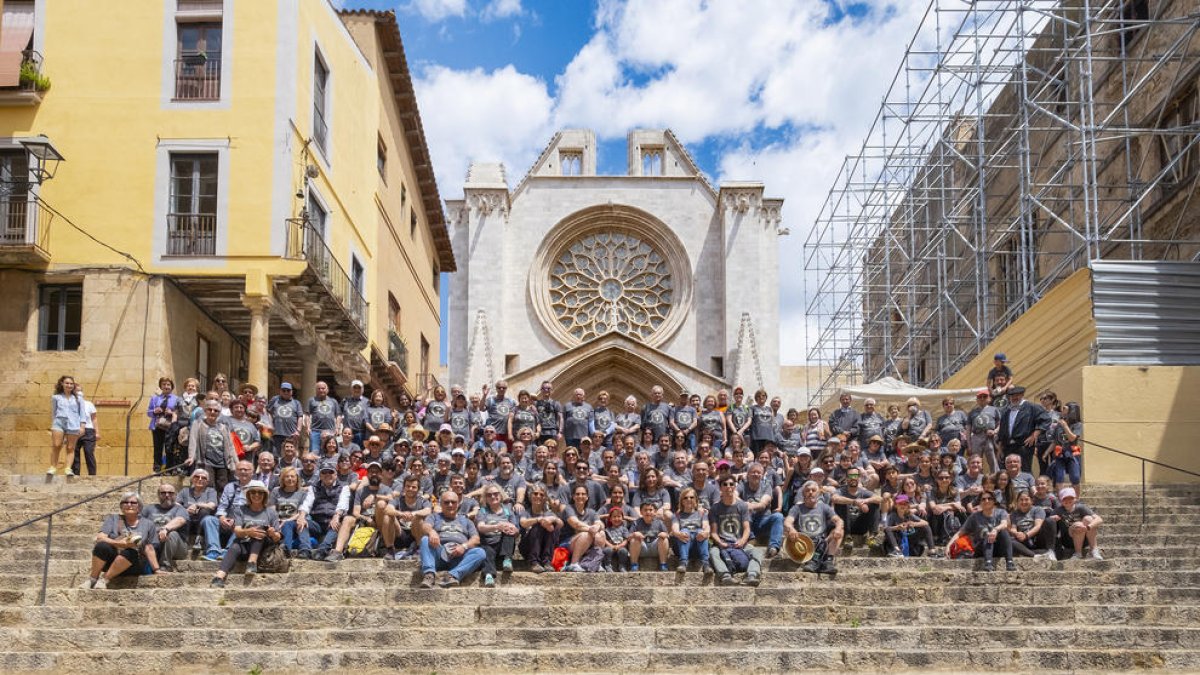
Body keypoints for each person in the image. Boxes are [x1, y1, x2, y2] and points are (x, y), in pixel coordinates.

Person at [82, 491, 163, 589]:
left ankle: (104, 579)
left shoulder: (148, 524)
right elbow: (100, 538)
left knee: (131, 552)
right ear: (121, 506)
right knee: (102, 546)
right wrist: (119, 543)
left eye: (133, 503)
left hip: (133, 563)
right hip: (113, 560)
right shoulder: (113, 519)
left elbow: (149, 547)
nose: (129, 505)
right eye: (125, 502)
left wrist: (156, 569)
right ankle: (92, 579)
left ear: (139, 507)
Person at [210, 480, 281, 587]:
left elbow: (278, 538)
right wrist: (248, 531)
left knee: (258, 532)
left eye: (260, 492)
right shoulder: (240, 510)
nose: (256, 495)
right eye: (253, 492)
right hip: (245, 545)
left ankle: (252, 563)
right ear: (248, 494)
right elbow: (237, 532)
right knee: (235, 546)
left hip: (264, 550)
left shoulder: (271, 512)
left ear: (264, 495)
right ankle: (219, 576)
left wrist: (272, 533)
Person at [419, 489, 486, 588]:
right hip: (438, 553)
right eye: (446, 502)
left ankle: (453, 575)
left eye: (453, 502)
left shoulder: (466, 521)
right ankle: (429, 575)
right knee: (425, 539)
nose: (450, 505)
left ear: (458, 504)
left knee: (480, 552)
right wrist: (432, 532)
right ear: (441, 504)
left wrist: (464, 546)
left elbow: (476, 539)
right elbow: (425, 526)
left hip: (459, 557)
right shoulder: (434, 517)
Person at [708, 476, 763, 586]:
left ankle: (752, 575)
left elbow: (747, 528)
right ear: (720, 488)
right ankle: (725, 576)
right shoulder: (715, 508)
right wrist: (720, 542)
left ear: (735, 486)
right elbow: (713, 532)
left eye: (731, 484)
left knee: (757, 552)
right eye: (725, 484)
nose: (728, 487)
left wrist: (742, 541)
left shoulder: (742, 506)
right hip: (722, 543)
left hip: (740, 543)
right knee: (713, 552)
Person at [786, 480, 843, 575]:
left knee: (840, 530)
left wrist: (838, 529)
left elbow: (839, 520)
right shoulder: (797, 508)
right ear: (803, 494)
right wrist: (791, 529)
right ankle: (814, 561)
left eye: (813, 490)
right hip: (804, 543)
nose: (810, 492)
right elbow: (787, 521)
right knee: (788, 530)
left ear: (818, 493)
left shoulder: (824, 507)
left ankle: (828, 561)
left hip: (822, 542)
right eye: (807, 490)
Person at [948, 491, 1014, 572]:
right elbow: (960, 533)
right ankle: (988, 564)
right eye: (983, 499)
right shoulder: (974, 517)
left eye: (989, 498)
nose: (986, 501)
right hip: (982, 548)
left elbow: (1004, 524)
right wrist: (948, 545)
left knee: (1004, 532)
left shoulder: (1001, 512)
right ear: (980, 502)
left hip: (997, 548)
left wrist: (995, 530)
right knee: (988, 535)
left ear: (994, 501)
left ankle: (1010, 563)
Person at [186, 401, 238, 493]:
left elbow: (230, 446)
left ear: (219, 413)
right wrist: (191, 456)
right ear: (205, 411)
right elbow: (193, 441)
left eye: (216, 410)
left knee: (222, 487)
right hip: (206, 462)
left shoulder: (224, 427)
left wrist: (237, 462)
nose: (212, 412)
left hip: (222, 462)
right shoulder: (198, 424)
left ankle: (220, 503)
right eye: (210, 409)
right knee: (208, 485)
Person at [474, 485, 519, 587]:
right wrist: (497, 527)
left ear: (501, 495)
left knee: (508, 530)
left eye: (495, 494)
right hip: (489, 543)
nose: (493, 496)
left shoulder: (508, 511)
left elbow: (516, 530)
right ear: (486, 498)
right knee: (486, 549)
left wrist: (511, 529)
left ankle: (507, 560)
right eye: (489, 495)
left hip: (504, 545)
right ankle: (489, 575)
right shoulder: (483, 511)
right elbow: (480, 527)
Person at [997, 386, 1047, 475]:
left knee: (1025, 471)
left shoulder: (1032, 407)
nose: (1014, 397)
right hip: (1007, 446)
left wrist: (1034, 435)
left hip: (1024, 445)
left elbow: (1045, 420)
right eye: (1012, 395)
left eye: (1017, 395)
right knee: (1007, 472)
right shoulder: (1006, 411)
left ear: (1022, 395)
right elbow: (1002, 430)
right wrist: (1000, 448)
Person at [739, 462, 784, 558]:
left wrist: (748, 505)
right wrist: (745, 505)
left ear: (762, 475)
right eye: (753, 472)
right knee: (745, 511)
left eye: (759, 473)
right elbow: (734, 496)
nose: (756, 474)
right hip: (746, 523)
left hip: (763, 521)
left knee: (778, 516)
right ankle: (750, 539)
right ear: (748, 474)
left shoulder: (766, 486)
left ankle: (774, 547)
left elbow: (763, 504)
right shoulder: (742, 485)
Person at [830, 468, 881, 548]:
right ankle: (847, 537)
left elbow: (879, 498)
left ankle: (872, 537)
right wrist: (854, 501)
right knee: (842, 502)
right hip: (845, 525)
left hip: (860, 524)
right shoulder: (841, 491)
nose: (853, 478)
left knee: (875, 504)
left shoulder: (863, 491)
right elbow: (834, 498)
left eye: (855, 475)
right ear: (846, 478)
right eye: (850, 476)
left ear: (859, 477)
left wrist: (865, 501)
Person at [518, 483, 562, 573]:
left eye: (541, 495)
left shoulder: (549, 513)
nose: (538, 496)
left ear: (545, 498)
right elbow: (523, 523)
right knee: (538, 525)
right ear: (530, 496)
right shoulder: (526, 512)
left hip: (544, 547)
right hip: (528, 547)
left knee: (552, 525)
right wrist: (539, 519)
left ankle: (547, 561)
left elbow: (561, 524)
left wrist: (554, 519)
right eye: (535, 493)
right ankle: (534, 562)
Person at [271, 467, 314, 558]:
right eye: (287, 476)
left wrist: (287, 520)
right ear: (282, 479)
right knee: (287, 525)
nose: (290, 479)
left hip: (300, 521)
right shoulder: (276, 491)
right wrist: (277, 522)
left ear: (297, 478)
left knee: (300, 522)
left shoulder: (302, 492)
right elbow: (272, 510)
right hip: (281, 524)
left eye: (292, 476)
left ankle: (301, 550)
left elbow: (301, 512)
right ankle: (287, 550)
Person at [49, 375, 84, 476]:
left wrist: (82, 426)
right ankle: (53, 467)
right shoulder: (56, 397)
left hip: (73, 424)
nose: (69, 385)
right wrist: (53, 424)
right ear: (62, 384)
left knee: (70, 447)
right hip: (59, 422)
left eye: (71, 383)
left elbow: (82, 413)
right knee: (56, 445)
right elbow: (54, 412)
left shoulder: (78, 398)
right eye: (67, 383)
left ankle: (68, 468)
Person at [1054, 487, 1103, 560]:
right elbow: (1048, 522)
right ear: (1061, 500)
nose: (1068, 500)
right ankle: (1078, 553)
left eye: (1070, 498)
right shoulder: (1058, 510)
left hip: (1084, 539)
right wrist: (1052, 518)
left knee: (1088, 519)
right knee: (1078, 524)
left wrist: (1087, 527)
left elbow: (1099, 519)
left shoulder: (1081, 507)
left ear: (1075, 499)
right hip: (1068, 540)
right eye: (1065, 498)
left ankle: (1094, 550)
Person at [671, 487, 711, 574]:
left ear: (696, 499)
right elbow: (675, 529)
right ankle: (683, 562)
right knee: (684, 531)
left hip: (698, 545)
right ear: (682, 501)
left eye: (691, 497)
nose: (689, 499)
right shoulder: (677, 515)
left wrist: (705, 533)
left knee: (700, 531)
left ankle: (706, 564)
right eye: (685, 498)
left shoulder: (702, 514)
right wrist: (679, 534)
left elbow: (706, 527)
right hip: (682, 546)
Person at [177, 468, 218, 552]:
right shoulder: (185, 491)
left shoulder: (210, 491)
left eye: (203, 478)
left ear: (207, 482)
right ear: (192, 479)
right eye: (197, 477)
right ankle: (183, 542)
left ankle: (198, 540)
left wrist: (197, 505)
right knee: (181, 513)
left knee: (204, 511)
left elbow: (212, 505)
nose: (200, 479)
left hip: (202, 523)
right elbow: (175, 504)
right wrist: (186, 510)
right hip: (187, 521)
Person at [1008, 490, 1056, 560]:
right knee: (1009, 540)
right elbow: (1013, 528)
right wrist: (1017, 533)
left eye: (1026, 499)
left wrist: (1026, 535)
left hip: (1037, 539)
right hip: (1024, 542)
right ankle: (1034, 555)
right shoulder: (1014, 514)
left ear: (1032, 501)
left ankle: (1050, 552)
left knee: (1050, 521)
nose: (1024, 502)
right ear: (1017, 502)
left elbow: (1038, 526)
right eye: (1021, 500)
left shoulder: (1038, 510)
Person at [1049, 402, 1083, 492]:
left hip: (1073, 451)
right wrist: (1046, 453)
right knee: (1059, 476)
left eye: (1065, 408)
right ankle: (1060, 497)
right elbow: (1057, 440)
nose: (1062, 410)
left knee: (1075, 476)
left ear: (1072, 411)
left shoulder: (1078, 424)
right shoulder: (1059, 424)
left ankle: (1076, 498)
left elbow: (1072, 438)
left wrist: (1065, 426)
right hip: (1060, 451)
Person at [70, 385, 100, 476]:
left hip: (89, 430)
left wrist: (97, 432)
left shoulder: (89, 404)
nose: (79, 392)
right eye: (77, 390)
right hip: (74, 430)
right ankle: (75, 474)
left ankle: (92, 474)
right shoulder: (70, 404)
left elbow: (94, 419)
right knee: (75, 453)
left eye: (80, 390)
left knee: (89, 452)